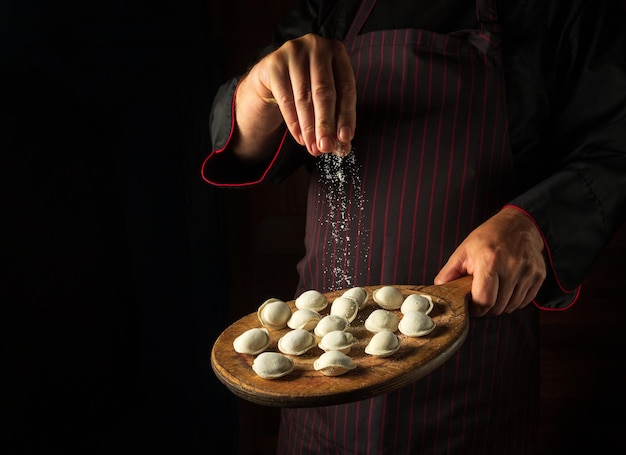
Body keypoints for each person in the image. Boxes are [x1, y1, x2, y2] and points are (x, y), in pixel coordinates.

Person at [202, 0, 626, 453]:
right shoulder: (335, 6)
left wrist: (534, 225)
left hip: (472, 381)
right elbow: (248, 143)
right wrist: (257, 90)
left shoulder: (563, 12)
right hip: (316, 370)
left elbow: (612, 148)